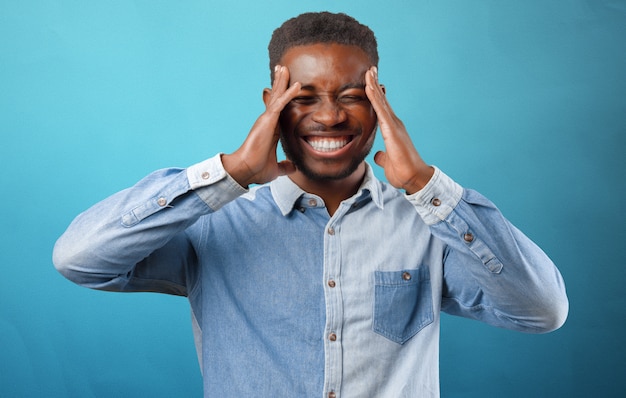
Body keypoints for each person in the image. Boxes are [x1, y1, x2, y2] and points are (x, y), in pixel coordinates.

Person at [53, 11, 568, 398]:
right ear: (271, 105)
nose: (330, 116)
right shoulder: (215, 224)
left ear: (379, 101)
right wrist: (227, 172)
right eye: (304, 96)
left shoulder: (429, 225)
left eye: (351, 95)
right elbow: (78, 259)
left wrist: (427, 186)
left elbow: (543, 310)